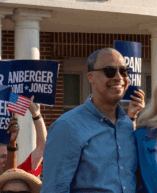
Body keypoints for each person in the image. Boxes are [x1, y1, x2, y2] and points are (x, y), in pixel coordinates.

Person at [41, 48, 145, 192]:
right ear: (90, 77)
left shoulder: (127, 126)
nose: (118, 77)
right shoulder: (67, 127)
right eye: (109, 71)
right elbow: (54, 189)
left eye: (123, 71)